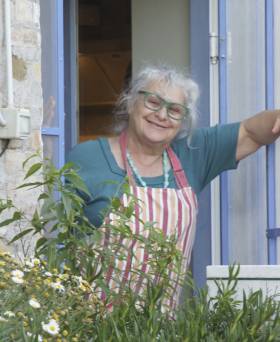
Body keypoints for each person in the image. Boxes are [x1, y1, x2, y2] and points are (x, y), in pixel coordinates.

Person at [68, 64, 280, 307]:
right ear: (129, 103)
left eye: (175, 109)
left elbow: (252, 132)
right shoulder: (87, 158)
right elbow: (56, 235)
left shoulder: (193, 153)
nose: (162, 115)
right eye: (153, 102)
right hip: (89, 324)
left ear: (183, 120)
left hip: (159, 327)